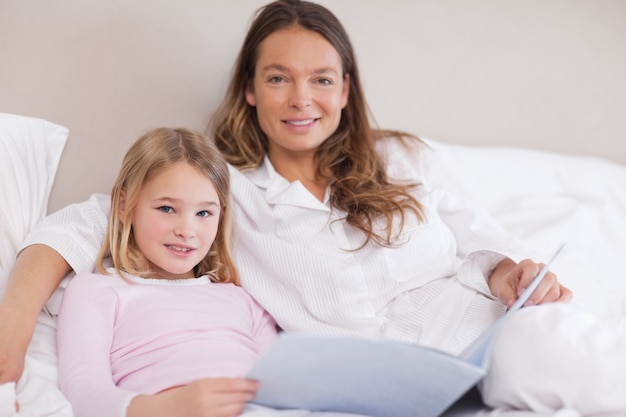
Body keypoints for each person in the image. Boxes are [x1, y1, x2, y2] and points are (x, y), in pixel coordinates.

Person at [1, 0, 625, 414]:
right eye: (278, 78)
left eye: (322, 79)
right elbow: (89, 225)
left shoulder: (403, 159)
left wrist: (509, 273)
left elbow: (482, 240)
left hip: (477, 334)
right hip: (371, 383)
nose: (302, 99)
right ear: (249, 89)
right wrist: (12, 328)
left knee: (564, 354)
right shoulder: (224, 189)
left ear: (346, 89)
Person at [55, 127, 370, 417]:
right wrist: (169, 407)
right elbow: (84, 390)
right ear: (125, 207)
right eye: (167, 208)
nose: (187, 230)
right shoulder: (97, 290)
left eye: (204, 212)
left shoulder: (240, 296)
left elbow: (279, 385)